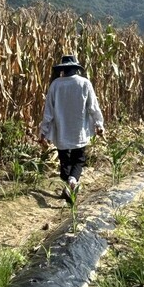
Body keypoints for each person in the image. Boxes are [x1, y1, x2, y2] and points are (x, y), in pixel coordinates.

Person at [38, 54, 105, 202]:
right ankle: (73, 182)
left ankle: (69, 183)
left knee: (65, 161)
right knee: (79, 160)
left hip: (62, 131)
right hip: (79, 130)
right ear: (76, 69)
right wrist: (99, 124)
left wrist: (43, 132)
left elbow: (48, 110)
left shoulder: (56, 85)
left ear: (63, 69)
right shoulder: (84, 83)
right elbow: (93, 107)